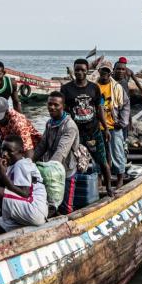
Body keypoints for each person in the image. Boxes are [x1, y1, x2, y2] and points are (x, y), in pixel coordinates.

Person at [61, 59, 114, 197]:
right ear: (74, 70)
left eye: (82, 70)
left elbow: (99, 109)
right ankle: (70, 193)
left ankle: (109, 187)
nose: (79, 72)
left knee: (102, 161)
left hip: (93, 131)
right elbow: (63, 110)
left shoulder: (94, 88)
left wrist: (106, 128)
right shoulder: (66, 89)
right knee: (71, 163)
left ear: (87, 71)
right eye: (77, 70)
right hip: (75, 133)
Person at [0, 136, 48, 234]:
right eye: (3, 149)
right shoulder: (13, 165)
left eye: (9, 151)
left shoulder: (21, 164)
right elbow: (10, 192)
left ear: (21, 152)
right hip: (32, 212)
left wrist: (2, 175)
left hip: (33, 209)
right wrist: (3, 173)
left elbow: (25, 193)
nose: (4, 154)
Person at [34, 91, 80, 214]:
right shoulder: (50, 123)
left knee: (66, 207)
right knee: (50, 202)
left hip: (66, 170)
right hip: (52, 169)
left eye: (56, 105)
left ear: (63, 106)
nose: (52, 107)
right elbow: (42, 146)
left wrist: (48, 170)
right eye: (49, 104)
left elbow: (61, 152)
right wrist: (29, 161)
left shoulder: (69, 126)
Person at [97, 65, 128, 188]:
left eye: (107, 71)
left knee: (117, 153)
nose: (105, 73)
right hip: (97, 127)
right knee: (98, 155)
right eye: (103, 70)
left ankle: (120, 177)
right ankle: (99, 179)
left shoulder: (116, 87)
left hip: (113, 126)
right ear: (99, 71)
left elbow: (125, 105)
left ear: (110, 73)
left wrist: (122, 122)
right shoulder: (93, 87)